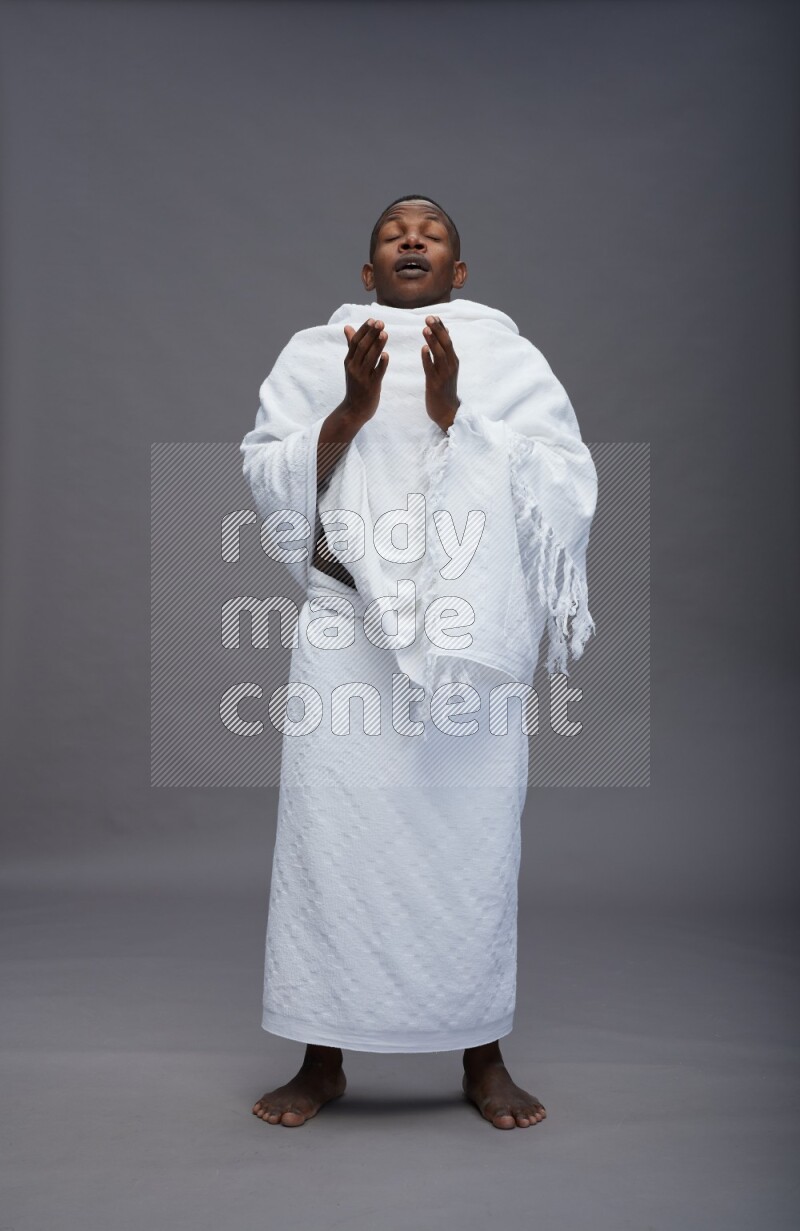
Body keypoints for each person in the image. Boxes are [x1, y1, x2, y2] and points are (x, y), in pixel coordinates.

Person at [240, 195, 597, 1129]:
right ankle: (322, 1056)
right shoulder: (315, 355)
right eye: (394, 233)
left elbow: (566, 481)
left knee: (469, 842)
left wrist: (458, 418)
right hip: (344, 626)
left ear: (459, 271)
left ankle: (480, 1050)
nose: (411, 238)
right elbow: (264, 469)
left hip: (465, 637)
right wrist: (347, 414)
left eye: (431, 233)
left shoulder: (506, 358)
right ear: (367, 273)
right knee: (331, 842)